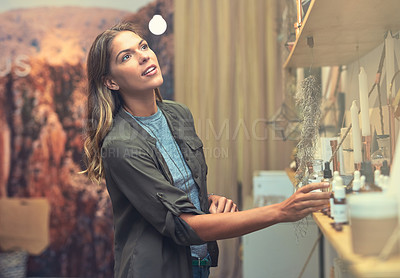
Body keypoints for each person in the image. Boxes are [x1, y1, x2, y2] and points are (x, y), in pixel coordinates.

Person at [82, 22, 330, 278]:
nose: (144, 55)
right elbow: (181, 224)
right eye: (127, 56)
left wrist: (206, 199)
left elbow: (173, 188)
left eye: (143, 46)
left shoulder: (178, 114)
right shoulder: (122, 145)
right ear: (111, 82)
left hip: (198, 266)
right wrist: (280, 211)